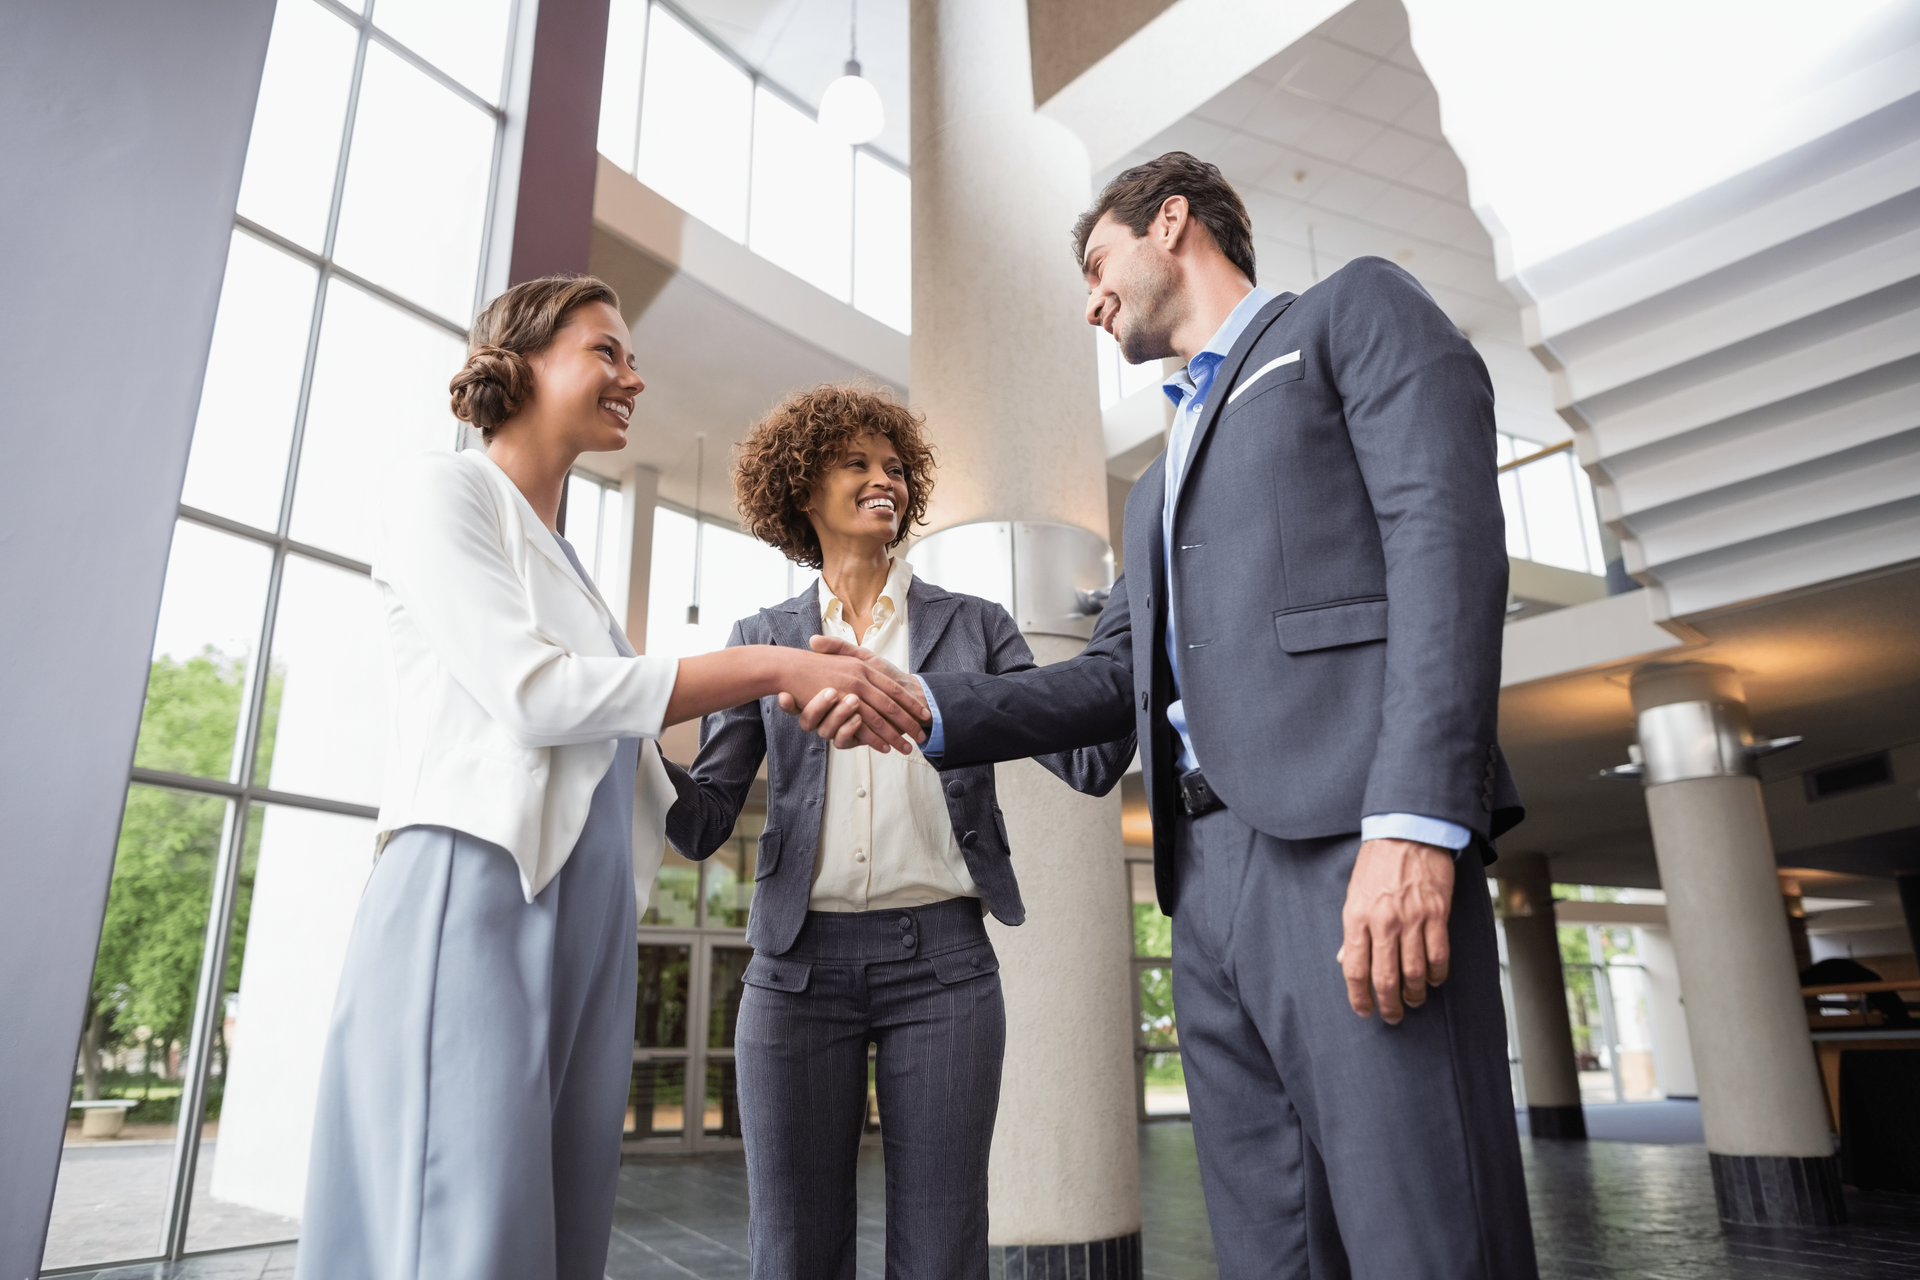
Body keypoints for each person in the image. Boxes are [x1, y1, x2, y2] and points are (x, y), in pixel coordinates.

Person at [801, 153, 1534, 1278]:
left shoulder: (1351, 316)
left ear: (1173, 222)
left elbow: (1445, 547)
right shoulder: (1150, 488)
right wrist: (920, 705)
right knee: (1269, 1241)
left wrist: (1416, 819)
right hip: (1205, 886)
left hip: (1353, 837)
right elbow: (1104, 685)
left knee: (1424, 1225)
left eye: (1100, 264)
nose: (1092, 298)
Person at [296, 278, 928, 1280]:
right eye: (607, 351)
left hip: (587, 908)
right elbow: (538, 694)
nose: (633, 376)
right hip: (480, 882)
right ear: (525, 358)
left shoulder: (568, 560)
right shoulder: (444, 491)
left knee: (555, 1223)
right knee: (460, 1217)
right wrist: (776, 667)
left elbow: (639, 761)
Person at [662, 383, 1135, 1280]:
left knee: (943, 1252)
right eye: (856, 463)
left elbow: (1084, 762)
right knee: (794, 1251)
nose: (884, 479)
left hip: (945, 969)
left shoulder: (976, 626)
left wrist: (1135, 621)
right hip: (796, 971)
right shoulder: (761, 640)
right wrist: (627, 728)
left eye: (893, 467)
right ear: (804, 489)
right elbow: (703, 820)